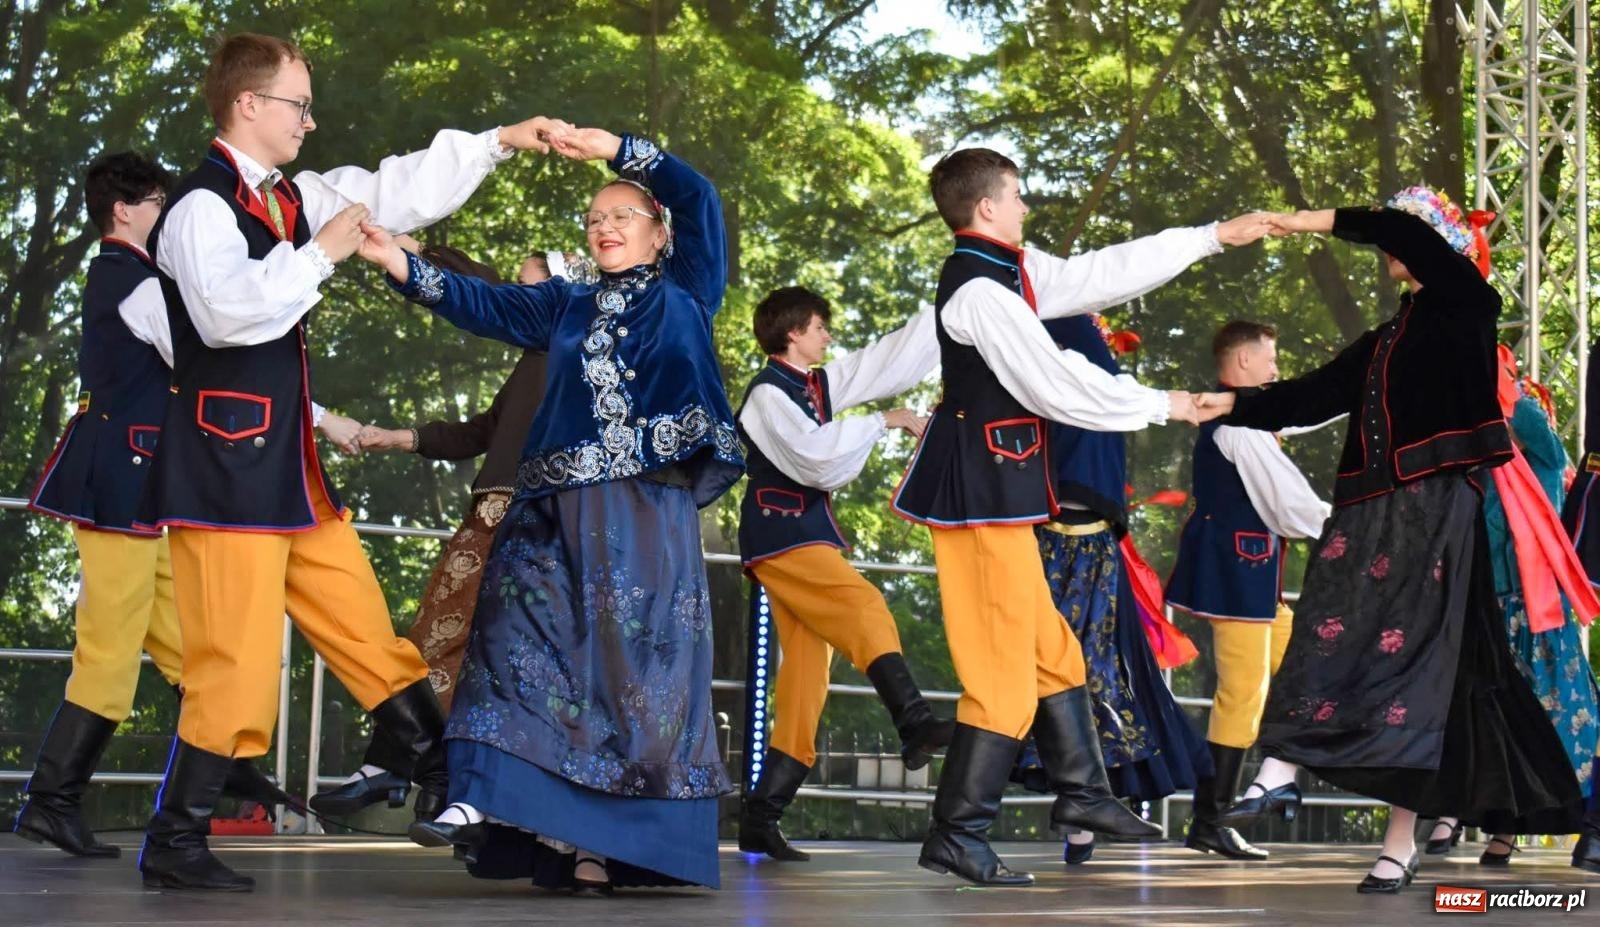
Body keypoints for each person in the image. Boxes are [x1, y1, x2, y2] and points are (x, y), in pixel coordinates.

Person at [131, 32, 565, 891]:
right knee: (235, 662)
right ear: (248, 104)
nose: (309, 117)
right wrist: (321, 253)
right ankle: (175, 838)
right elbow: (223, 316)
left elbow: (396, 186)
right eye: (297, 102)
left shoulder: (298, 195)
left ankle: (439, 777)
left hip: (288, 474)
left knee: (367, 627)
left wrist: (498, 141)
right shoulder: (198, 209)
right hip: (224, 475)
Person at [360, 126, 741, 893]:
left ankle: (601, 845)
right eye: (594, 218)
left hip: (644, 516)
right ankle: (475, 794)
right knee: (509, 638)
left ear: (660, 232)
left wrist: (614, 147)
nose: (603, 225)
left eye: (622, 214)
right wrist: (398, 263)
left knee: (630, 680)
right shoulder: (564, 305)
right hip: (549, 512)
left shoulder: (689, 290)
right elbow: (484, 302)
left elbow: (698, 195)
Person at [890, 145, 1272, 886]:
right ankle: (957, 830)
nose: (1027, 208)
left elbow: (1102, 270)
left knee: (1054, 651)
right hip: (979, 500)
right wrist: (1166, 404)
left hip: (1001, 495)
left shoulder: (1011, 274)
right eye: (1019, 196)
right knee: (1003, 674)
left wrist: (1209, 237)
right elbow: (1058, 384)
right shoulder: (980, 294)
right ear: (989, 207)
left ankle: (1085, 793)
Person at [1204, 189, 1584, 893]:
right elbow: (1310, 394)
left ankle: (1392, 837)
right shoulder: (1386, 341)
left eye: (1400, 240)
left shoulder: (1468, 303)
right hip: (1373, 510)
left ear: (1430, 247)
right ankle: (1286, 771)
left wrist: (1295, 219)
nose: (1386, 251)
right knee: (1345, 635)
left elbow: (1396, 229)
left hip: (1438, 508)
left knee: (1416, 670)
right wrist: (1227, 402)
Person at [18, 151, 309, 859]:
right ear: (124, 210)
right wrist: (317, 417)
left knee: (189, 645)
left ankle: (230, 766)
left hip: (144, 487)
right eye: (157, 204)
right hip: (118, 484)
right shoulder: (133, 281)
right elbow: (210, 362)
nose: (168, 217)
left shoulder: (139, 280)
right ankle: (50, 799)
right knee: (110, 649)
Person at [308, 243, 554, 818]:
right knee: (445, 639)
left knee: (488, 651)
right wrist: (397, 436)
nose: (518, 301)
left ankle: (432, 782)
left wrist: (413, 251)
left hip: (530, 519)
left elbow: (487, 291)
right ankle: (411, 774)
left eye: (530, 288)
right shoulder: (534, 364)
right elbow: (478, 433)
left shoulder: (564, 348)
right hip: (493, 516)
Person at [735, 285, 950, 862]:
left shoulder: (814, 386)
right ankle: (915, 722)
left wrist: (944, 313)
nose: (828, 335)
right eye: (820, 326)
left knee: (805, 681)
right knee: (863, 607)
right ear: (793, 333)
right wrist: (883, 421)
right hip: (783, 536)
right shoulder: (767, 395)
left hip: (797, 535)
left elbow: (880, 361)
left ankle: (761, 817)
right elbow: (813, 454)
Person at [1010, 311, 1217, 866]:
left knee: (1083, 667)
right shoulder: (1060, 336)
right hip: (1059, 531)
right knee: (1060, 668)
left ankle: (1079, 808)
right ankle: (1061, 808)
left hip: (1085, 534)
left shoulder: (1073, 343)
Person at [1163, 320, 1331, 861]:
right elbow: (1291, 506)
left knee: (1300, 669)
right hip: (1241, 573)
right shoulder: (1241, 430)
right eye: (1270, 360)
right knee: (1244, 692)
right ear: (1241, 364)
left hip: (1253, 578)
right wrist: (1346, 526)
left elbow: (1301, 418)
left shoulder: (1242, 421)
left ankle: (1270, 782)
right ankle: (1212, 818)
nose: (1276, 369)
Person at [1425, 349, 1599, 866]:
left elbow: (1524, 413)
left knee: (1557, 721)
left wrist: (1499, 376)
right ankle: (1478, 820)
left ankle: (1575, 822)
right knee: (1489, 720)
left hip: (1539, 616)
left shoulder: (1542, 461)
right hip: (1488, 613)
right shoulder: (1473, 473)